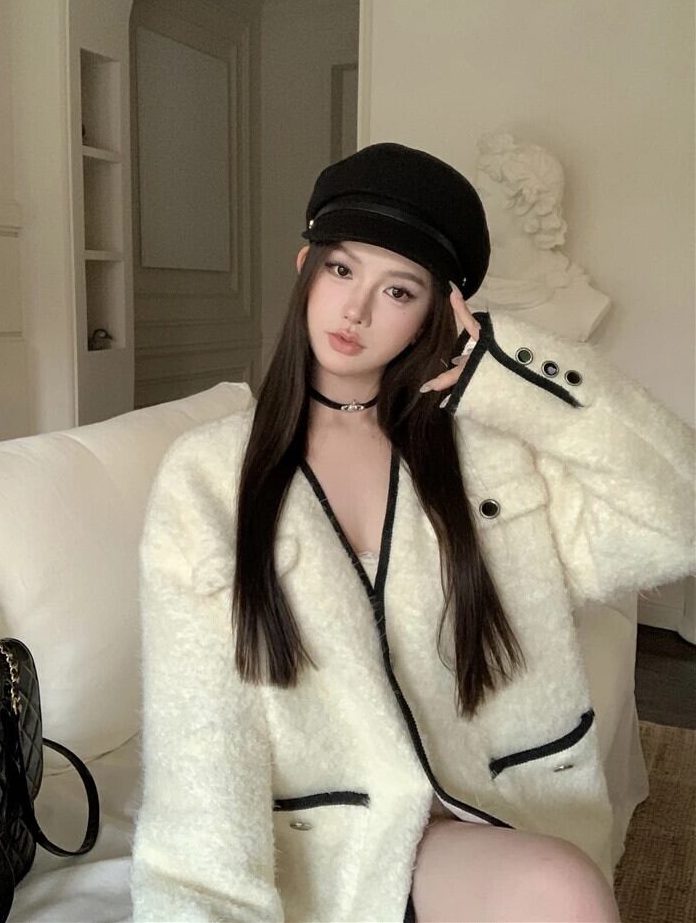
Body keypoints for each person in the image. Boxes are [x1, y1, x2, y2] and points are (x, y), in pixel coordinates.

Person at [129, 142, 695, 923]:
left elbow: (674, 519)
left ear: (437, 313)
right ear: (304, 267)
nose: (355, 310)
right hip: (336, 848)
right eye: (341, 270)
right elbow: (200, 738)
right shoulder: (208, 475)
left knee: (564, 889)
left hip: (493, 810)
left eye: (398, 289)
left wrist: (513, 374)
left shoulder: (487, 453)